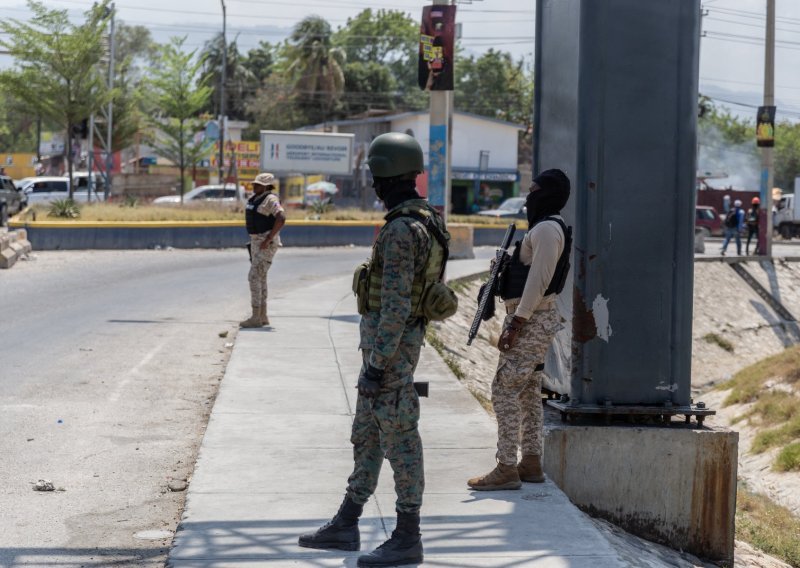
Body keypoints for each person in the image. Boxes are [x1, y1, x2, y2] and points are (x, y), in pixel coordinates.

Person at [298, 132, 450, 567]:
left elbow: (398, 304)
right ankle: (347, 521)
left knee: (401, 439)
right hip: (388, 352)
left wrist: (379, 365)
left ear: (386, 176)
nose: (374, 186)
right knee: (366, 434)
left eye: (375, 177)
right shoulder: (427, 220)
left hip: (392, 355)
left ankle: (407, 535)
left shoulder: (403, 229)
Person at [467, 169, 571, 491]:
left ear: (548, 193)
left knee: (504, 390)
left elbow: (538, 281)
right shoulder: (545, 229)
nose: (528, 196)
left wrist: (516, 323)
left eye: (534, 190)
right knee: (527, 393)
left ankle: (506, 467)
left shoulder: (546, 231)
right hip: (533, 320)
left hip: (531, 321)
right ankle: (531, 463)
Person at [239, 172, 285, 328]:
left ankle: (255, 316)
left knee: (253, 276)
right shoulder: (256, 199)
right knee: (261, 277)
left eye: (257, 184)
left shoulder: (270, 199)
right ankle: (263, 316)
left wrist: (268, 239)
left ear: (266, 186)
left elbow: (281, 218)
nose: (254, 186)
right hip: (256, 242)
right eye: (254, 184)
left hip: (265, 243)